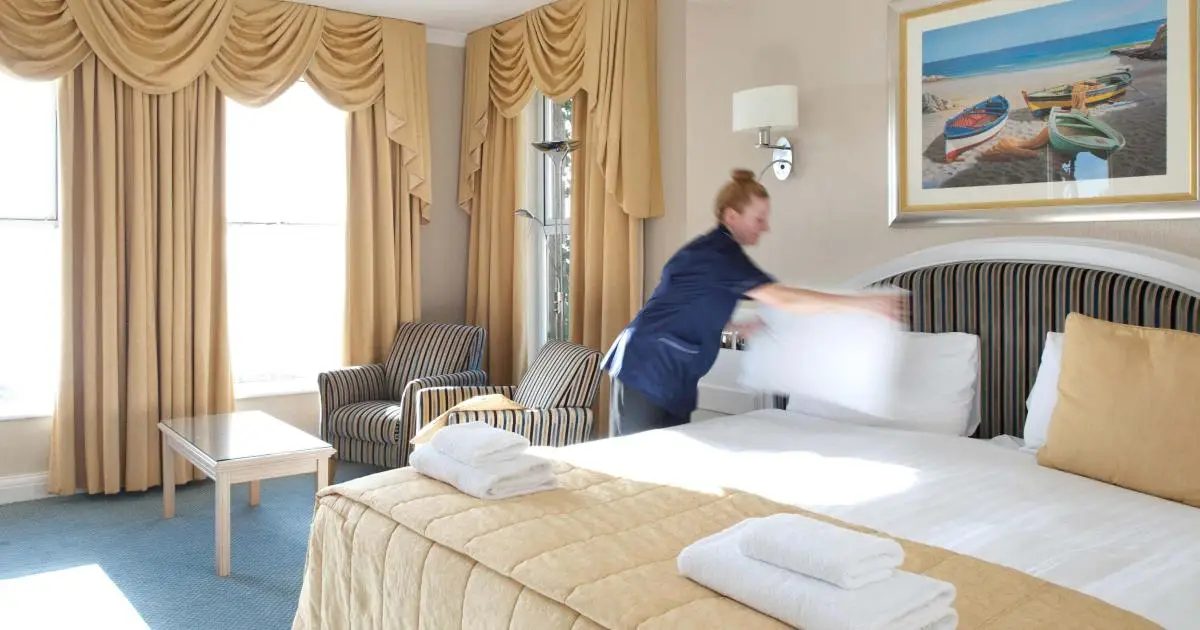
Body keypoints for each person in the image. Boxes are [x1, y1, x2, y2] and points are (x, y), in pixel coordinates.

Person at [600, 168, 906, 437]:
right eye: (759, 219)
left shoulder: (717, 254)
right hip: (648, 367)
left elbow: (689, 302)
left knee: (663, 470)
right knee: (633, 465)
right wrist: (861, 304)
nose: (765, 227)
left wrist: (734, 327)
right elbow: (783, 298)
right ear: (732, 216)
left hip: (670, 374)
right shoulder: (720, 256)